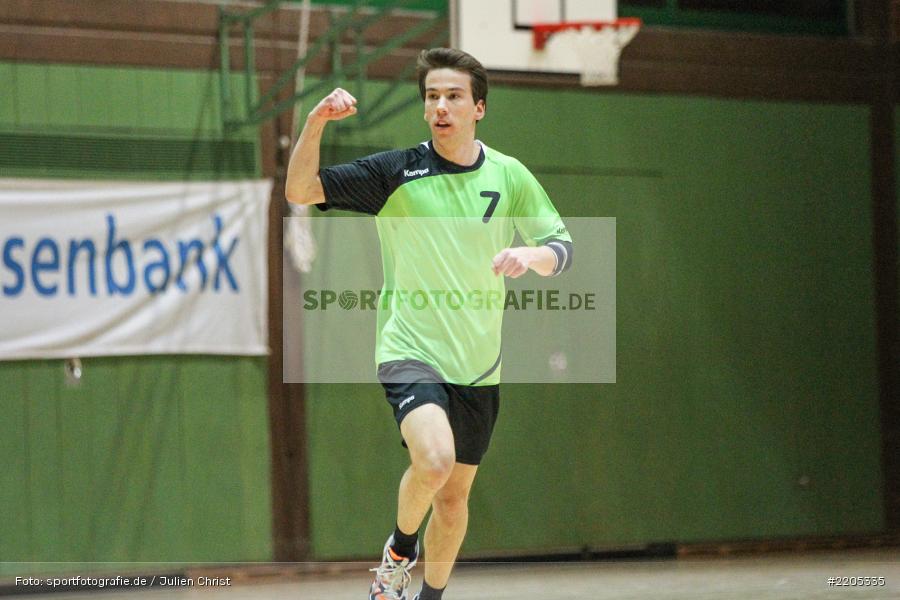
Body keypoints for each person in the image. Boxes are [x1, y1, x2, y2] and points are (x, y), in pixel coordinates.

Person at [285, 47, 572, 600]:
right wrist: (316, 121)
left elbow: (561, 247)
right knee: (434, 460)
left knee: (453, 499)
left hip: (479, 365)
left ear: (478, 108)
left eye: (453, 96)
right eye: (432, 97)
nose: (441, 106)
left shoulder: (509, 176)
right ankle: (398, 551)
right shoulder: (395, 172)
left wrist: (529, 258)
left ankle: (431, 596)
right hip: (409, 348)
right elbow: (301, 190)